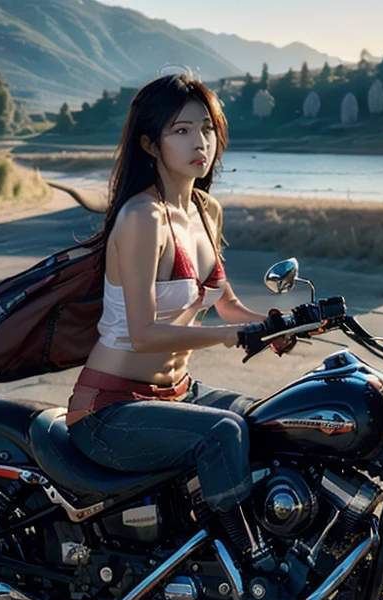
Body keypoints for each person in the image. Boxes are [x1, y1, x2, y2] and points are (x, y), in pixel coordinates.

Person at [66, 72, 272, 562]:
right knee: (222, 433)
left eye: (206, 128)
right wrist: (230, 335)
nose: (200, 142)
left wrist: (277, 323)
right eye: (181, 130)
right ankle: (249, 561)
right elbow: (141, 335)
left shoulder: (205, 210)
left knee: (270, 418)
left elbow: (226, 304)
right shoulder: (143, 218)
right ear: (149, 144)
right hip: (110, 409)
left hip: (176, 393)